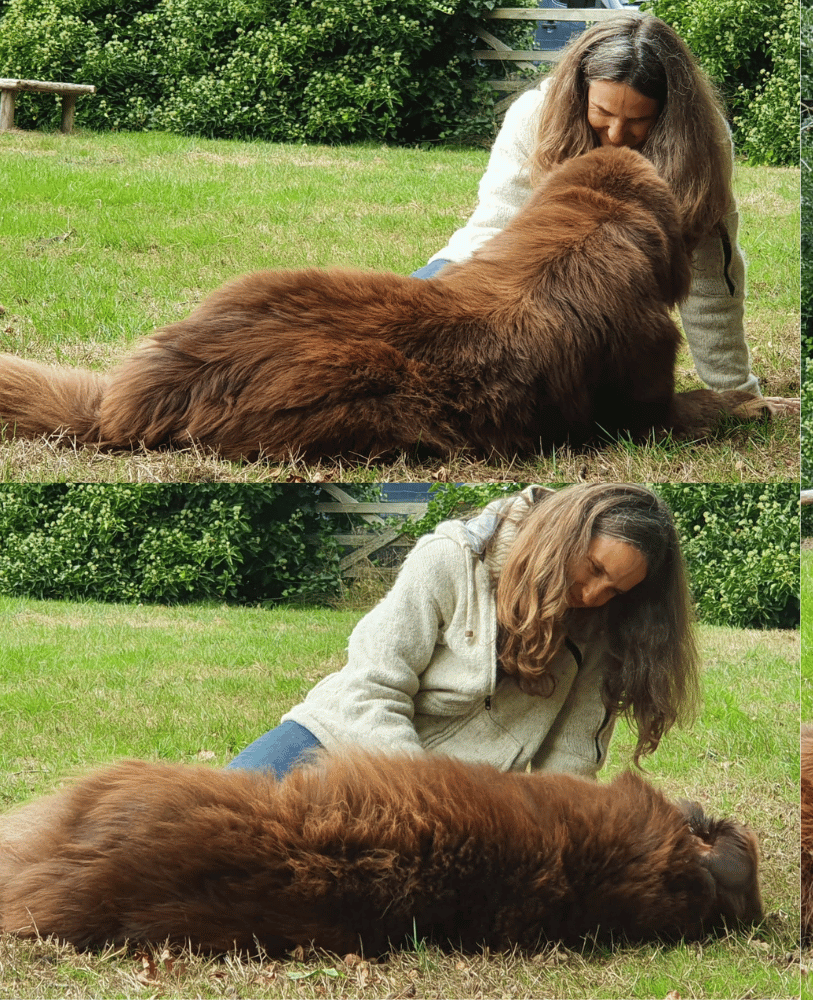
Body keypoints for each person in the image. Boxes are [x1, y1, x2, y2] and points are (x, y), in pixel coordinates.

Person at [229, 483, 700, 779]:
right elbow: (372, 686)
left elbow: (571, 759)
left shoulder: (600, 627)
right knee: (197, 826)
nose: (595, 595)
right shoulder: (451, 558)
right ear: (565, 535)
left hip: (469, 794)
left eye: (615, 590)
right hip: (339, 738)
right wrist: (421, 790)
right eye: (594, 568)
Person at [416, 14, 761, 397]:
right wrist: (447, 293)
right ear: (579, 93)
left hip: (597, 307)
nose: (616, 134)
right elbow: (496, 224)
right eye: (603, 114)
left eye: (638, 120)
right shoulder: (535, 114)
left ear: (667, 114)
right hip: (501, 271)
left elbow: (713, 273)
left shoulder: (703, 139)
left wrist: (735, 389)